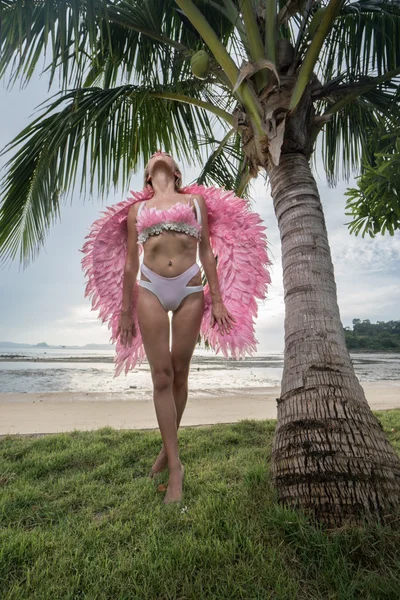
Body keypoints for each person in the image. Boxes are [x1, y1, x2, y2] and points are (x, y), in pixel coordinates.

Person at [116, 151, 236, 504]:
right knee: (161, 377)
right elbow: (129, 264)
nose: (158, 154)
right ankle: (176, 467)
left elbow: (207, 254)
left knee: (181, 373)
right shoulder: (137, 211)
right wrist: (125, 310)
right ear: (147, 177)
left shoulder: (195, 202)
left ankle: (166, 451)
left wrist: (218, 297)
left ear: (176, 171)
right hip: (151, 288)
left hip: (190, 289)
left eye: (165, 154)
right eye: (152, 157)